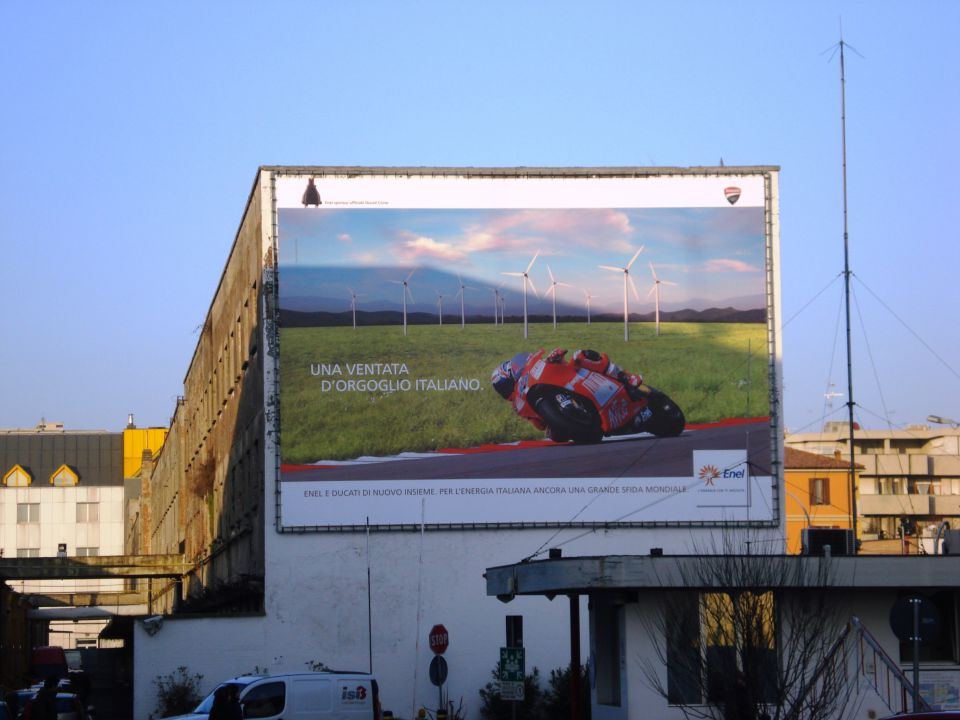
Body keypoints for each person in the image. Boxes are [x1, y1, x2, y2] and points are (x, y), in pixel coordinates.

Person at [491, 347, 644, 433]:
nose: (505, 390)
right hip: (573, 423)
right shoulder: (518, 405)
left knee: (581, 356)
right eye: (501, 389)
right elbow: (540, 426)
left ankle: (626, 377)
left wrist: (554, 357)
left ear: (513, 372)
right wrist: (549, 424)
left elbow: (557, 360)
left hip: (571, 377)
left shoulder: (532, 367)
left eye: (504, 385)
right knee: (554, 435)